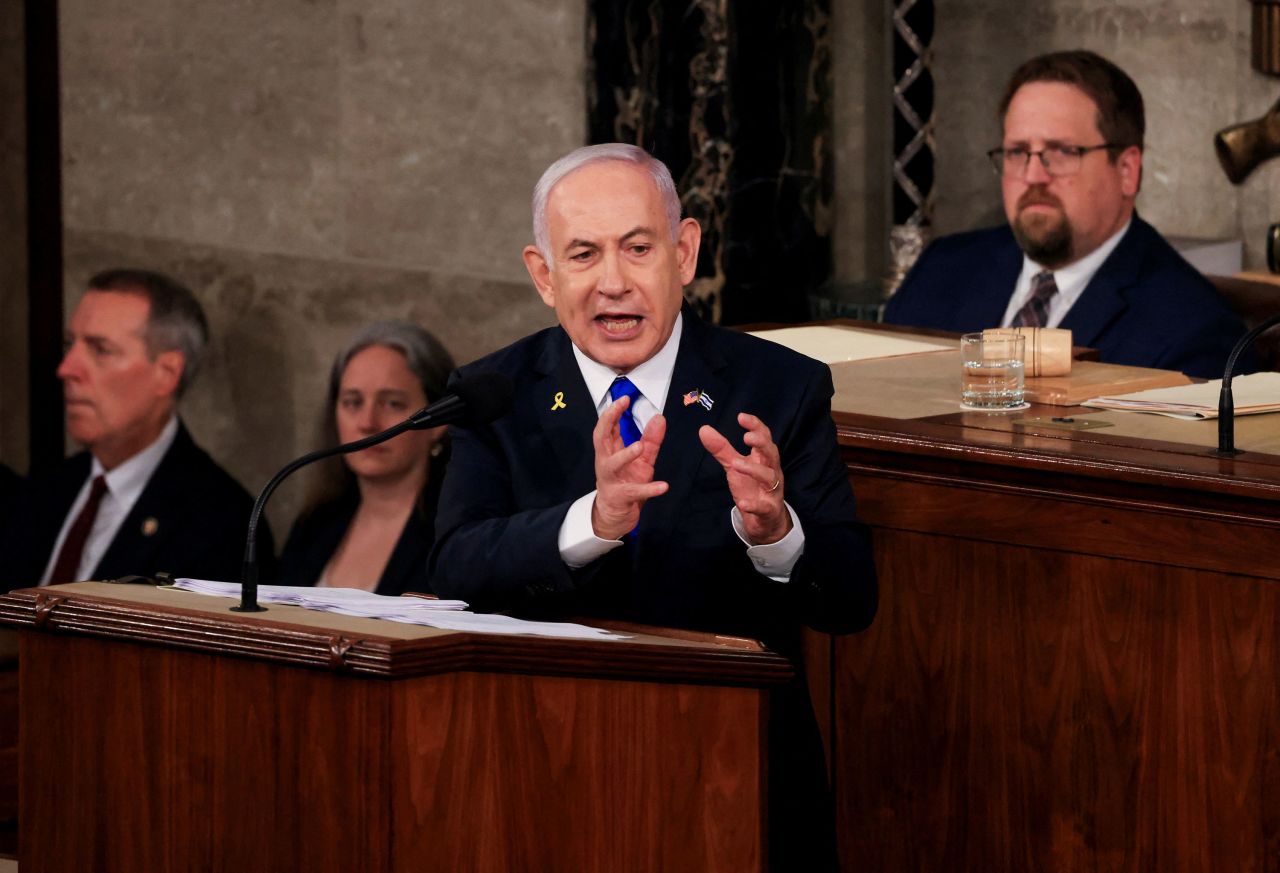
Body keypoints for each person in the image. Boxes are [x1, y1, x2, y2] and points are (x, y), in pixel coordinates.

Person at [428, 143, 877, 870]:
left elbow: (853, 595)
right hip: (542, 773)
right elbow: (454, 566)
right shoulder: (494, 393)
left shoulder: (777, 386)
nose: (613, 283)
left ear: (685, 251)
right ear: (543, 275)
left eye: (638, 249)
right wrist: (592, 523)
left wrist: (776, 533)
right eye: (582, 255)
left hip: (737, 780)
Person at [884, 50, 1248, 379]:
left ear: (1126, 170)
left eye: (1061, 152)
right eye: (1017, 152)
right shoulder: (941, 270)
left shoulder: (1194, 329)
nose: (1033, 176)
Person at [0, 269, 268, 590]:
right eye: (70, 345)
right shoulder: (47, 488)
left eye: (100, 350)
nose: (67, 369)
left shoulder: (221, 523)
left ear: (166, 373)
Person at [277, 321, 454, 595]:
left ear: (438, 421)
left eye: (392, 403)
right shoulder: (315, 523)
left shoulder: (458, 535)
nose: (368, 423)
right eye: (353, 402)